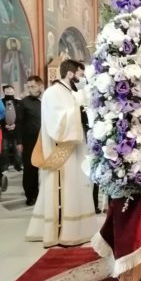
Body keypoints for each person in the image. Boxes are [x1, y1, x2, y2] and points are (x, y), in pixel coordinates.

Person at [26, 59, 97, 247]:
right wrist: (78, 107)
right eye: (80, 75)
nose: (82, 79)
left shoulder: (68, 92)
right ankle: (62, 232)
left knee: (76, 187)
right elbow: (56, 123)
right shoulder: (53, 93)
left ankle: (79, 228)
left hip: (75, 150)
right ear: (70, 74)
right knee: (64, 188)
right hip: (62, 152)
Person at [70, 61, 101, 214]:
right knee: (82, 171)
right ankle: (82, 203)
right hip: (81, 135)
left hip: (95, 134)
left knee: (94, 169)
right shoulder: (73, 93)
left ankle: (94, 203)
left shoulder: (95, 89)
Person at [16, 76, 43, 205]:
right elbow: (19, 123)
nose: (30, 89)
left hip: (45, 140)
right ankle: (31, 195)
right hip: (29, 141)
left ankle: (42, 194)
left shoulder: (45, 101)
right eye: (28, 86)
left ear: (40, 86)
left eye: (33, 86)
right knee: (30, 169)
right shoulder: (24, 103)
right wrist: (19, 142)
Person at [1, 85, 22, 172]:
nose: (9, 92)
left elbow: (21, 116)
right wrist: (4, 125)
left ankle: (18, 165)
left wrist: (15, 124)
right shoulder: (0, 102)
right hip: (4, 130)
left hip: (16, 130)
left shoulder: (19, 102)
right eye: (7, 91)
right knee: (4, 148)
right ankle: (4, 166)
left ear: (14, 91)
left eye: (11, 90)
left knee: (17, 148)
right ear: (4, 92)